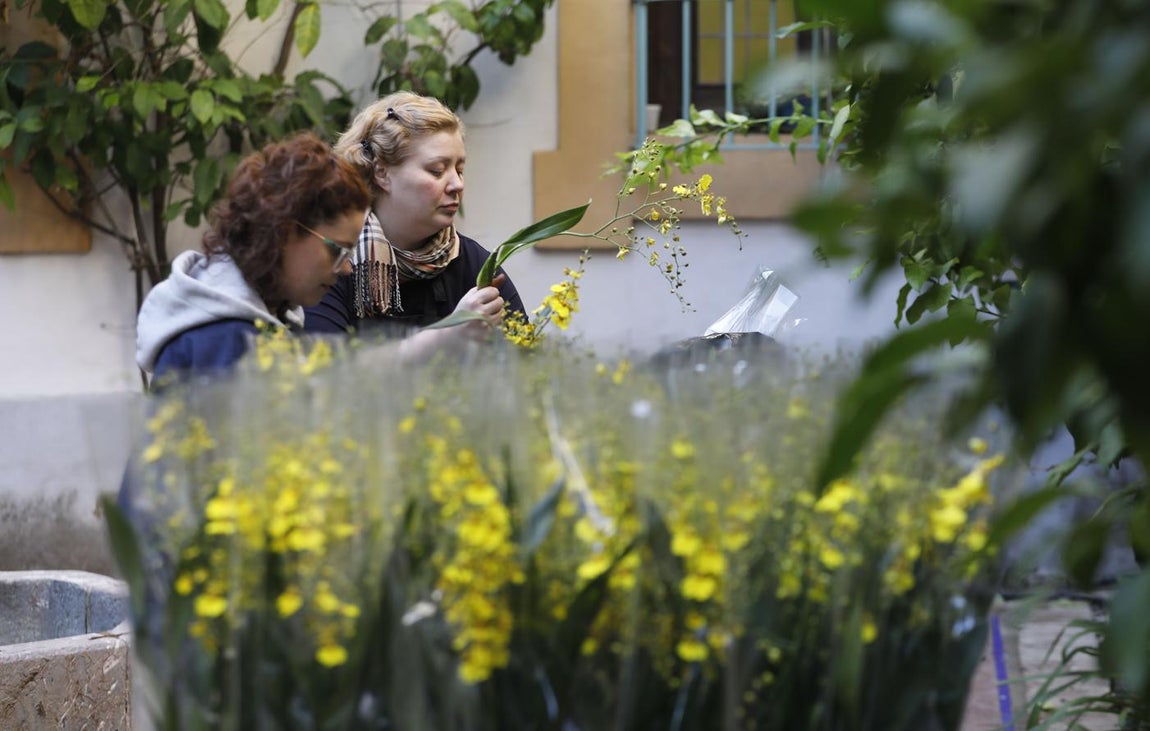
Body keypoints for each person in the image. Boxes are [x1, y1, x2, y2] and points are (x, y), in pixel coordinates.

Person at [135, 132, 500, 387]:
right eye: (337, 249)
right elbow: (326, 387)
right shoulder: (222, 339)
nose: (345, 267)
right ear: (282, 232)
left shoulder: (262, 313)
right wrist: (438, 341)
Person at [303, 91, 524, 336]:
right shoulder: (336, 263)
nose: (457, 184)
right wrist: (448, 335)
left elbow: (530, 363)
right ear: (382, 173)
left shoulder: (475, 265)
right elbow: (323, 368)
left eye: (459, 170)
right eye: (437, 170)